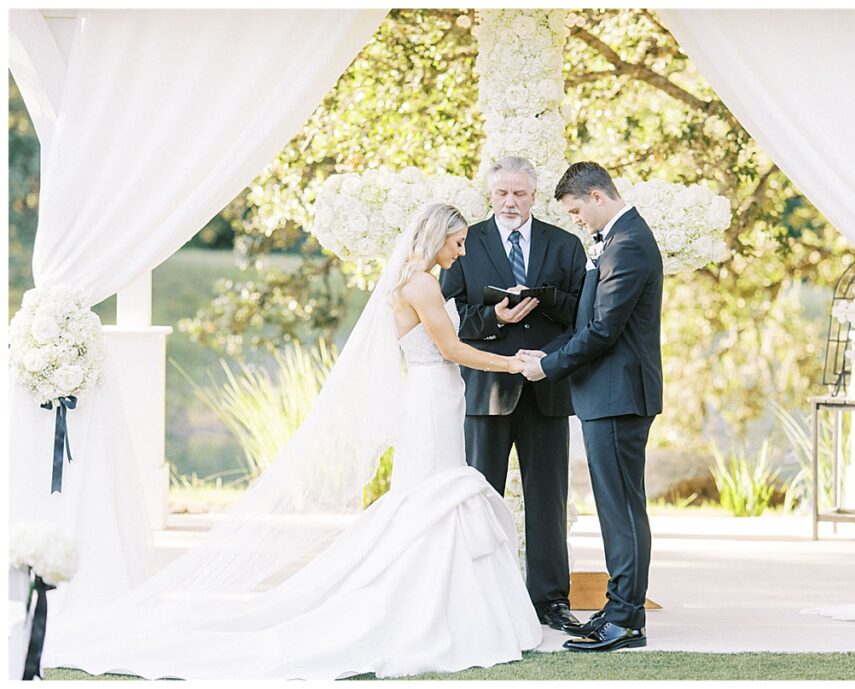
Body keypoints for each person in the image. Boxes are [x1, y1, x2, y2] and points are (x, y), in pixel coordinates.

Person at [44, 203, 542, 680]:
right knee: (433, 502)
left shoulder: (406, 281)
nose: (461, 251)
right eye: (456, 242)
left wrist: (496, 322)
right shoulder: (423, 285)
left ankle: (439, 608)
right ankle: (428, 615)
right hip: (433, 399)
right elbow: (450, 347)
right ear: (438, 236)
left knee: (427, 501)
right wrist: (514, 362)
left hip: (433, 396)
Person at [519, 162, 664, 652]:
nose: (579, 220)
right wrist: (550, 352)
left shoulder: (628, 245)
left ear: (599, 196)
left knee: (621, 510)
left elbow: (604, 330)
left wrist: (549, 367)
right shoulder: (618, 241)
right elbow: (590, 321)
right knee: (616, 508)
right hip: (607, 395)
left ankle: (625, 620)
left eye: (578, 211)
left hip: (619, 396)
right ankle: (620, 607)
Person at [440, 156, 588, 633]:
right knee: (481, 496)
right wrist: (494, 320)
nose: (510, 201)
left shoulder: (564, 245)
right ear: (490, 194)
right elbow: (447, 316)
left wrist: (547, 306)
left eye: (519, 193)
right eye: (502, 192)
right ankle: (478, 596)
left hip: (547, 389)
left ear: (534, 196)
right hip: (486, 391)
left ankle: (550, 602)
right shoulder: (467, 245)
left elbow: (582, 317)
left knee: (549, 499)